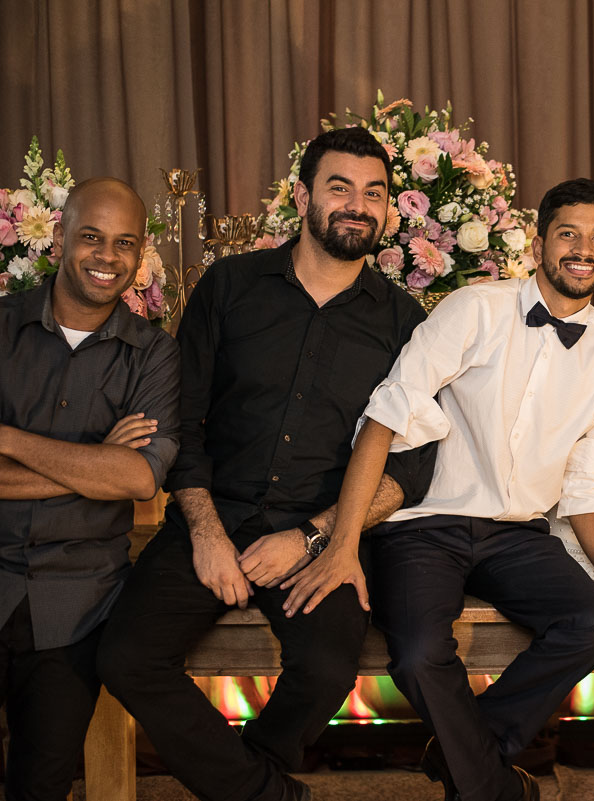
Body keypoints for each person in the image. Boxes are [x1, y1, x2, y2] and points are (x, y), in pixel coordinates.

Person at [283, 177, 594, 801]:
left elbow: (585, 487)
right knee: (415, 654)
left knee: (592, 623)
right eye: (567, 233)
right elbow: (386, 413)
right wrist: (344, 539)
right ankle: (493, 786)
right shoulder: (475, 308)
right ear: (539, 243)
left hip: (518, 535)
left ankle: (464, 753)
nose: (583, 249)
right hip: (421, 526)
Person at [96, 127, 436, 801]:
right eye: (340, 187)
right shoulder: (230, 287)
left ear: (390, 210)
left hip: (321, 532)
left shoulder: (404, 321)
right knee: (124, 656)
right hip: (210, 511)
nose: (357, 206)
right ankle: (264, 793)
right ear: (304, 195)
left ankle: (247, 771)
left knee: (329, 663)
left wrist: (313, 537)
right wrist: (205, 530)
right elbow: (180, 420)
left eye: (374, 193)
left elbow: (414, 468)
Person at [0, 178, 180, 800]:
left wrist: (8, 438)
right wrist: (93, 463)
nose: (107, 257)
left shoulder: (154, 355)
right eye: (92, 238)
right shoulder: (0, 328)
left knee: (41, 784)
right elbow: (112, 475)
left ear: (141, 253)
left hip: (77, 604)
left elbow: (137, 478)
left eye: (124, 243)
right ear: (58, 238)